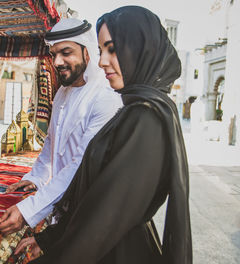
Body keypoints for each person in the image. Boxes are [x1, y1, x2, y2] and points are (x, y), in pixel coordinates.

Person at [14, 6, 192, 264]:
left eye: (113, 49)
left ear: (141, 50)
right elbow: (94, 198)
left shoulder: (145, 117)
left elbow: (104, 219)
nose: (102, 61)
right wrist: (47, 239)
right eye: (101, 51)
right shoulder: (134, 109)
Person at [0, 18, 122, 235]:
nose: (58, 62)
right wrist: (35, 178)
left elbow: (78, 165)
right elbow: (51, 144)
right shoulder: (63, 92)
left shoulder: (105, 97)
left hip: (91, 213)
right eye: (54, 55)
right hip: (63, 205)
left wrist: (28, 210)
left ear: (87, 53)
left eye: (66, 52)